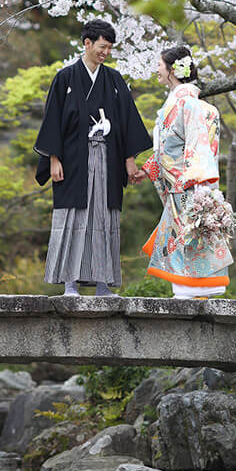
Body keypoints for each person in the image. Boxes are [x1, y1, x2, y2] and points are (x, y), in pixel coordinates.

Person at [34, 18, 151, 296]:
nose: (105, 53)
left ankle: (102, 283)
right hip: (73, 159)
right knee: (74, 216)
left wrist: (130, 162)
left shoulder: (113, 80)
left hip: (108, 159)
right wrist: (53, 159)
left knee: (104, 217)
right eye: (102, 46)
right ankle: (70, 283)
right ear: (87, 43)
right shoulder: (65, 78)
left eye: (109, 48)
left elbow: (126, 123)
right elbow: (52, 121)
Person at [135, 45, 233, 298]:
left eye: (159, 65)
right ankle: (191, 293)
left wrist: (200, 187)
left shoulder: (189, 105)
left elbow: (196, 147)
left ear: (172, 70)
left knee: (189, 239)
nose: (156, 69)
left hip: (189, 186)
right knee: (185, 241)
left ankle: (190, 294)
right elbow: (167, 150)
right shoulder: (179, 104)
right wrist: (148, 170)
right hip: (180, 186)